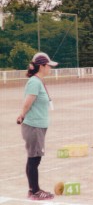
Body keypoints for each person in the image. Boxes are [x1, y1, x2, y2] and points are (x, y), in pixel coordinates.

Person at [17, 52, 58, 199]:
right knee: (34, 158)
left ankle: (33, 190)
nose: (50, 69)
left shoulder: (38, 81)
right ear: (42, 66)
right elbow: (28, 102)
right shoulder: (34, 82)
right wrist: (22, 115)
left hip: (38, 125)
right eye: (49, 66)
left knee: (34, 157)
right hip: (33, 126)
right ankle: (35, 191)